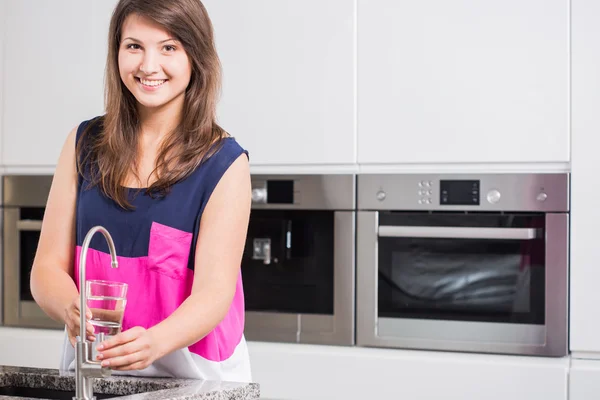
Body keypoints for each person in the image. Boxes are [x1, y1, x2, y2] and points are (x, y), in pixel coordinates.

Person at [29, 0, 252, 382]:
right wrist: (71, 308)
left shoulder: (224, 163)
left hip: (197, 377)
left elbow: (214, 296)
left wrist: (153, 343)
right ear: (116, 51)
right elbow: (45, 269)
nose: (148, 66)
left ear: (194, 56)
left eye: (169, 47)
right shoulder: (83, 143)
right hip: (96, 370)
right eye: (134, 46)